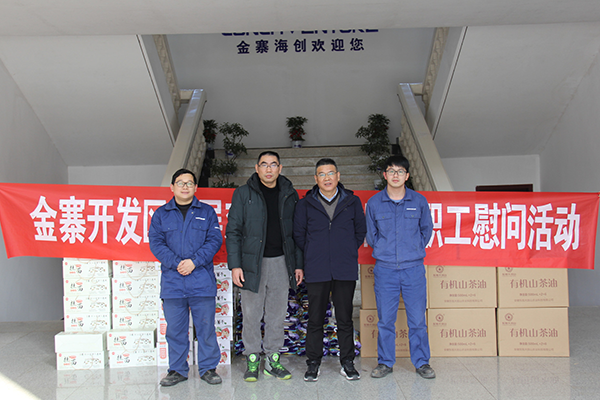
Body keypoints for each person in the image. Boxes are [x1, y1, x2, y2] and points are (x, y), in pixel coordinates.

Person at [225, 151, 303, 382]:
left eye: (273, 165)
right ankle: (252, 358)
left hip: (281, 262)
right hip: (252, 264)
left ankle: (272, 360)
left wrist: (298, 265)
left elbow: (297, 234)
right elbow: (233, 231)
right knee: (251, 314)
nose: (269, 169)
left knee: (277, 315)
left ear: (280, 168)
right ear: (257, 168)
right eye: (264, 165)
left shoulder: (290, 193)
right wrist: (235, 265)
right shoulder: (243, 193)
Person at [293, 158, 366, 382]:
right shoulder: (305, 204)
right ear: (316, 179)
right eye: (322, 174)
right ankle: (313, 363)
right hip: (317, 268)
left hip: (344, 268)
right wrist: (314, 252)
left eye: (330, 173)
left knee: (344, 318)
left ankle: (347, 362)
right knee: (315, 319)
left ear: (338, 176)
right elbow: (299, 235)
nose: (327, 178)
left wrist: (345, 250)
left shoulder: (352, 201)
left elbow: (360, 231)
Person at [149, 168, 223, 386]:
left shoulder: (207, 212)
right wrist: (176, 263)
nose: (185, 187)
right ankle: (177, 370)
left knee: (206, 328)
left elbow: (214, 240)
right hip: (173, 283)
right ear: (172, 187)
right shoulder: (161, 214)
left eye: (189, 183)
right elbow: (156, 243)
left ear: (195, 187)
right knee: (175, 330)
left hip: (201, 280)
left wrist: (194, 262)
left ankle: (208, 369)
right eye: (180, 183)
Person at [365, 155, 436, 380]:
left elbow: (426, 230)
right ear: (384, 175)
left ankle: (422, 362)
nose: (395, 175)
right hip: (385, 269)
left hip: (413, 269)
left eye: (400, 171)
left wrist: (413, 249)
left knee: (417, 320)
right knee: (386, 320)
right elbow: (371, 235)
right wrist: (384, 250)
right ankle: (385, 362)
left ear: (407, 176)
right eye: (391, 171)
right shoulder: (374, 203)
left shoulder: (419, 201)